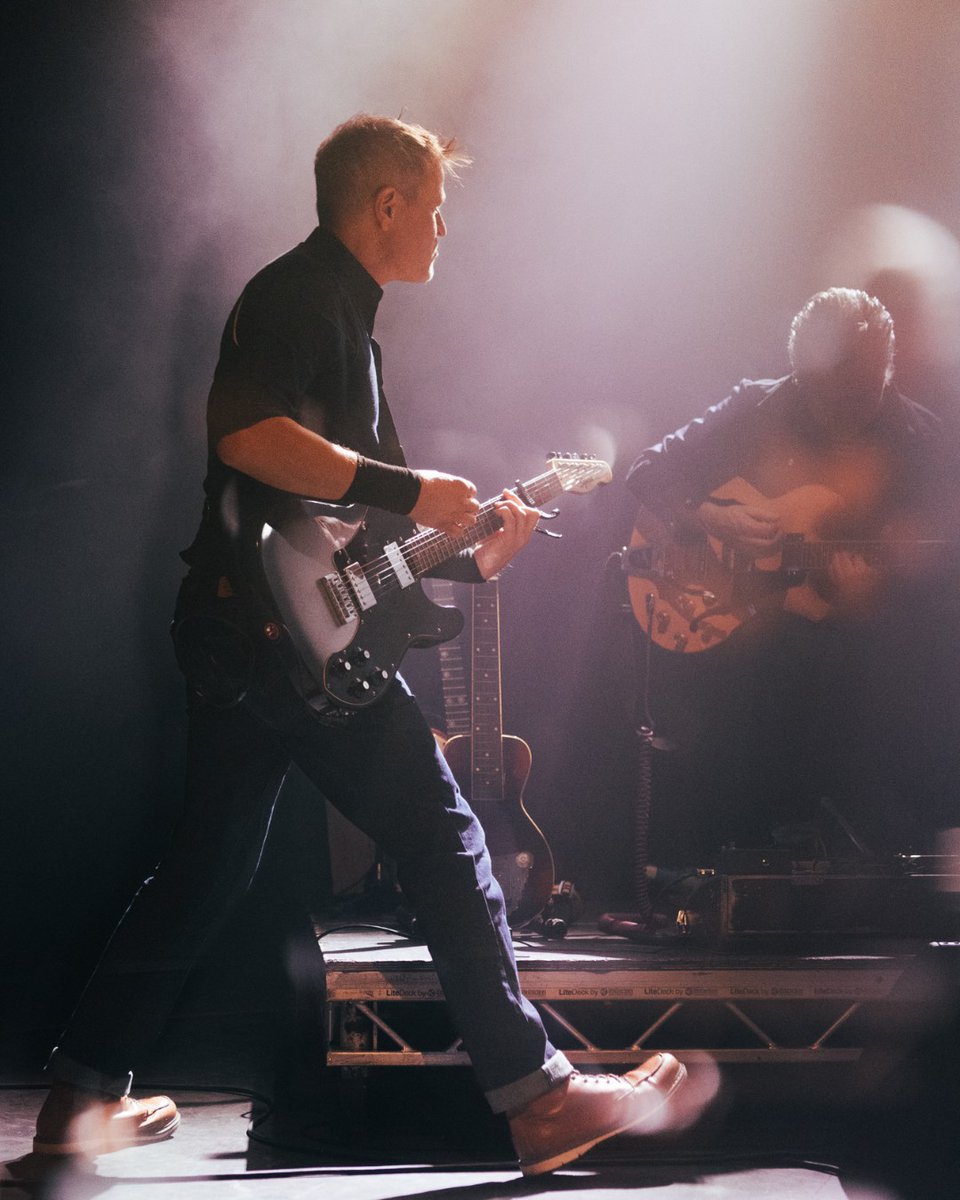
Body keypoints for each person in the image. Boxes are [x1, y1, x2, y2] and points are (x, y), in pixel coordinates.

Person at [32, 115, 688, 1176]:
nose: (441, 229)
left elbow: (358, 540)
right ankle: (538, 1097)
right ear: (386, 204)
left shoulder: (347, 318)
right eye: (433, 207)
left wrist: (473, 555)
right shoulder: (300, 296)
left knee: (204, 870)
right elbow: (244, 436)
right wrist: (407, 485)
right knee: (442, 835)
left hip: (248, 634)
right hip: (273, 640)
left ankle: (77, 1101)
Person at [625, 287, 958, 869]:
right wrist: (713, 517)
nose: (835, 413)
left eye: (854, 394)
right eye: (819, 392)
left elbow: (935, 593)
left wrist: (875, 598)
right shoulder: (759, 406)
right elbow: (647, 471)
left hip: (860, 672)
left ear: (886, 369)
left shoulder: (922, 445)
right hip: (741, 662)